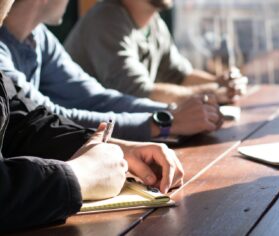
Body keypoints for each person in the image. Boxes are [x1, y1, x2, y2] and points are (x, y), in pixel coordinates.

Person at [0, 0, 184, 232]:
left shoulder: (39, 37)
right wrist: (79, 176)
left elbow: (23, 123)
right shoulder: (106, 19)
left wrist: (111, 147)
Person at [0, 0, 223, 142]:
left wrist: (171, 110)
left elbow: (95, 98)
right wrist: (164, 122)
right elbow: (51, 119)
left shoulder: (39, 36)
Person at [64, 0, 248, 104]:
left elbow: (179, 75)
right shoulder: (106, 19)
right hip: (82, 139)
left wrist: (222, 81)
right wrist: (214, 92)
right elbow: (137, 92)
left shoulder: (154, 22)